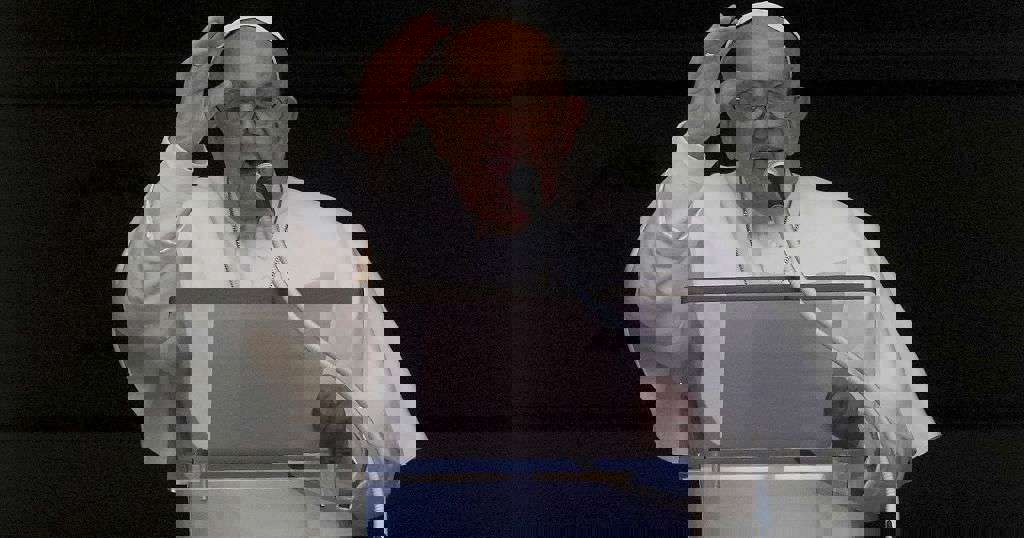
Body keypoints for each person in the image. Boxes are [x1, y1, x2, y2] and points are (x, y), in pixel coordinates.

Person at [625, 3, 938, 535]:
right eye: (749, 99)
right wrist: (692, 144)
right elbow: (655, 333)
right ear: (725, 112)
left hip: (834, 495)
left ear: (798, 110)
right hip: (735, 492)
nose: (767, 115)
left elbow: (889, 366)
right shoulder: (694, 209)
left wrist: (873, 436)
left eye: (779, 96)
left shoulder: (840, 218)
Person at [112, 16, 422, 537]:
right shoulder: (180, 215)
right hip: (219, 509)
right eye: (237, 103)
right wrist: (181, 149)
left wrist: (354, 439)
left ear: (286, 113)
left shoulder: (329, 228)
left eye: (267, 102)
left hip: (317, 508)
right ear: (215, 118)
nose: (253, 121)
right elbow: (141, 335)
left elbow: (381, 387)